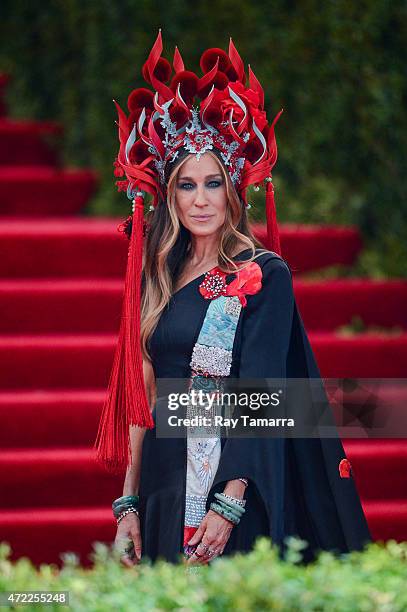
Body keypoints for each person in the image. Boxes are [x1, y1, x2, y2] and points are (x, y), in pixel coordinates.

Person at [94, 31, 371, 567]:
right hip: (160, 483)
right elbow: (142, 396)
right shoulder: (158, 275)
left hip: (230, 486)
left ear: (233, 190)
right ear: (168, 195)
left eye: (213, 183)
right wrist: (127, 503)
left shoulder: (264, 275)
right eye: (186, 185)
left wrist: (229, 501)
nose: (201, 200)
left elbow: (261, 397)